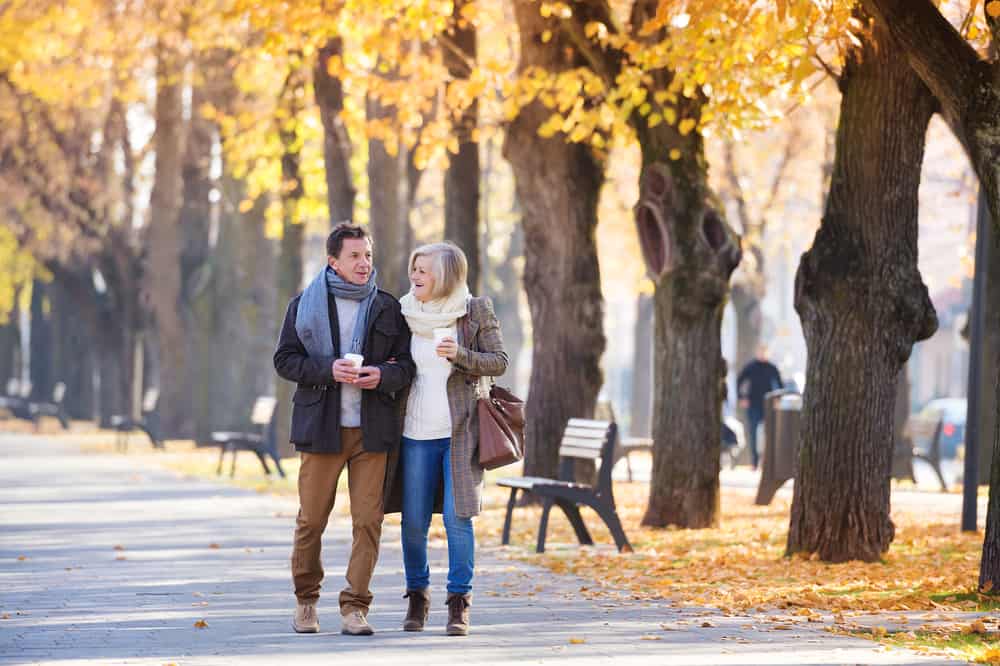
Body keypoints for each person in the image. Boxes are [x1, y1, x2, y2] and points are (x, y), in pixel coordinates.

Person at [273, 223, 415, 636]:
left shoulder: (388, 307)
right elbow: (285, 360)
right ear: (333, 261)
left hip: (372, 432)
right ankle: (306, 601)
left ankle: (355, 608)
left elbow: (406, 366)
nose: (364, 263)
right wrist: (326, 370)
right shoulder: (304, 304)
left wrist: (382, 375)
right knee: (312, 520)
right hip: (322, 430)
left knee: (369, 521)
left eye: (368, 255)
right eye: (354, 256)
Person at [385, 241, 508, 636]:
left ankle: (459, 604)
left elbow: (499, 362)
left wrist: (461, 354)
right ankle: (417, 597)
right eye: (414, 268)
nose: (415, 276)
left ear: (447, 275)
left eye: (424, 270)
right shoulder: (405, 312)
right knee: (413, 522)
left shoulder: (474, 311)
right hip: (415, 432)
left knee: (458, 519)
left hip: (460, 433)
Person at [737, 345, 783, 470]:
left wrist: (778, 400)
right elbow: (739, 380)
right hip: (753, 404)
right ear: (757, 352)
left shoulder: (772, 367)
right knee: (752, 433)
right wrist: (741, 397)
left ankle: (767, 461)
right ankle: (754, 462)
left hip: (768, 405)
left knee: (770, 433)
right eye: (761, 351)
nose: (763, 354)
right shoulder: (751, 367)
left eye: (765, 352)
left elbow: (780, 384)